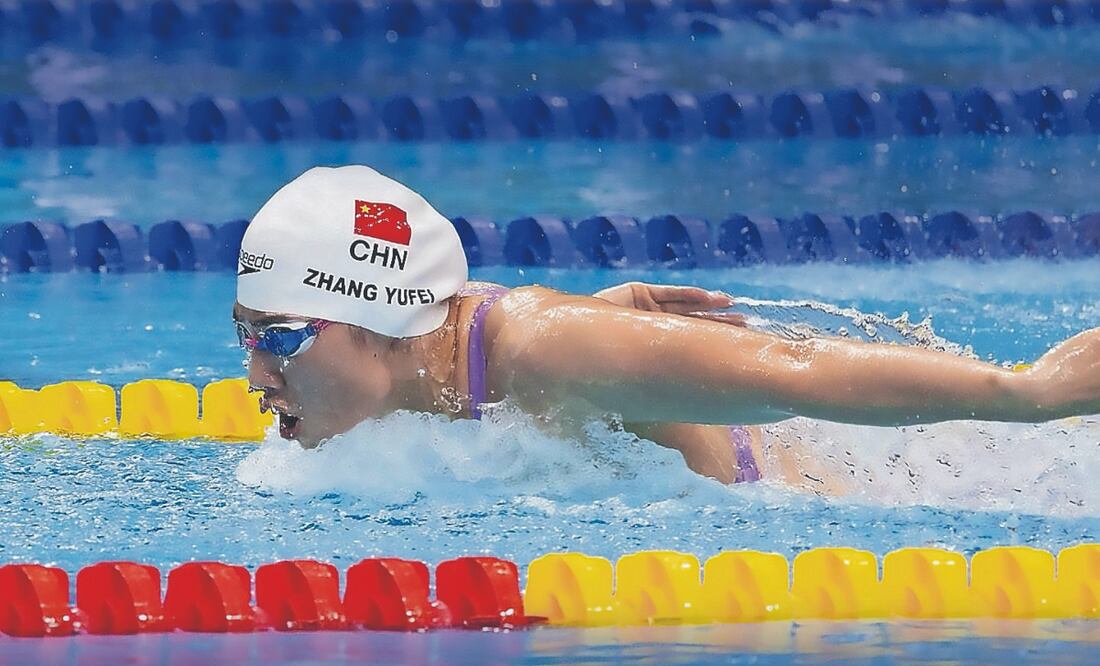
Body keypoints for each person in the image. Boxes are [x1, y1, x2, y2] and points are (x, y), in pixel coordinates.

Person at [234, 165, 1100, 489]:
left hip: (902, 482)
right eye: (244, 335)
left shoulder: (543, 347)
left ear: (379, 317)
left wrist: (1024, 393)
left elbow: (796, 372)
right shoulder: (426, 357)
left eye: (276, 339)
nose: (253, 377)